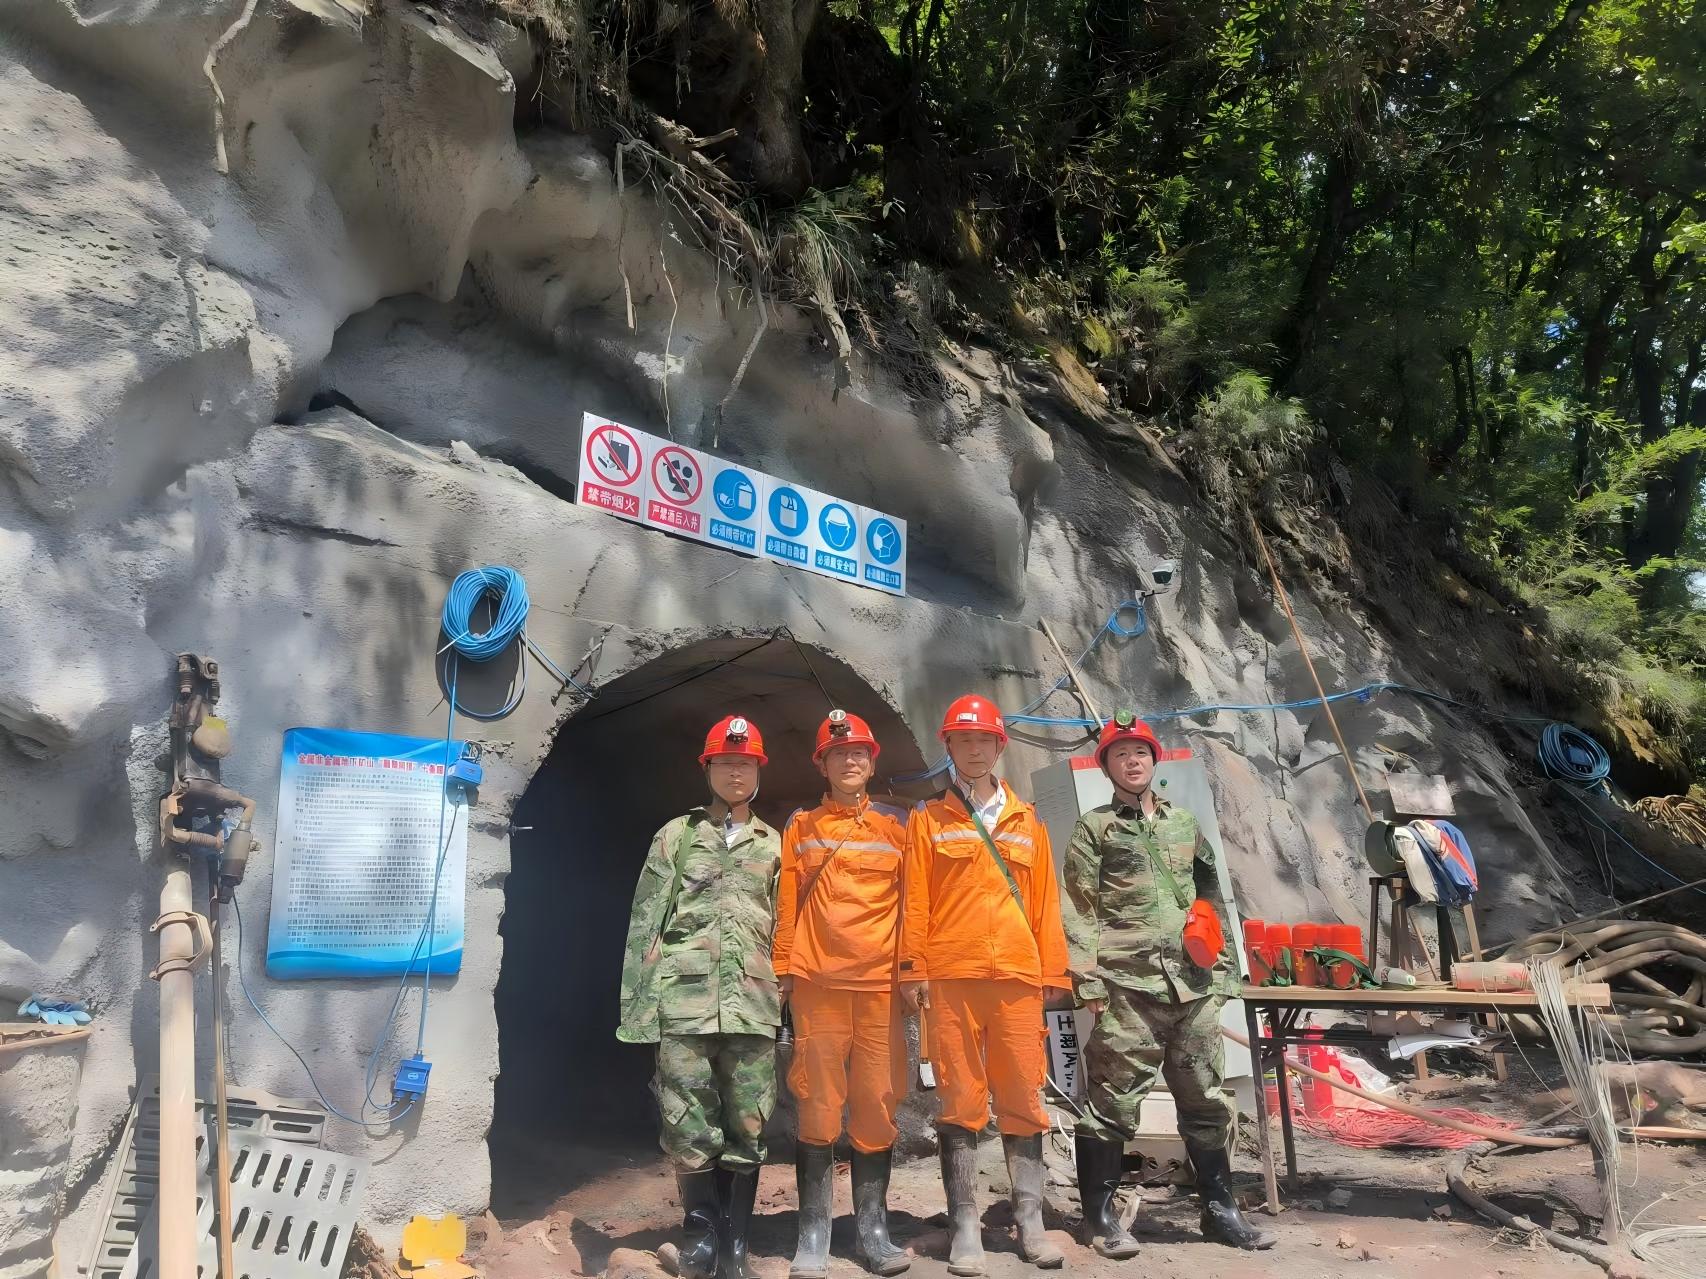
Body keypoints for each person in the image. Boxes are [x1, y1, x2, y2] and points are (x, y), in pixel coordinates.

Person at [1061, 711, 1276, 1254]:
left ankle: (1219, 1211)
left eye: (1140, 752)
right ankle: (1099, 1220)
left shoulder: (1183, 824)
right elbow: (1078, 906)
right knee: (1111, 1104)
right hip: (1125, 988)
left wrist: (1224, 969)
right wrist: (1087, 980)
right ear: (1106, 766)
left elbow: (1211, 891)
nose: (1132, 762)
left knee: (1205, 1099)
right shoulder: (1094, 828)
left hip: (1193, 986)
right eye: (1120, 754)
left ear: (1153, 761)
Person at [901, 694, 1071, 1276]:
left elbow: (1046, 902)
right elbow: (915, 899)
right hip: (952, 976)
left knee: (1024, 1095)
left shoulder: (1028, 822)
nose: (974, 749)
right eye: (963, 739)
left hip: (1018, 978)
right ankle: (966, 1227)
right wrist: (913, 970)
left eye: (984, 740)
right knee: (960, 1099)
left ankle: (1030, 1223)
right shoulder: (928, 819)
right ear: (948, 746)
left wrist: (1053, 972)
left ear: (1000, 746)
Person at [617, 715, 783, 1279]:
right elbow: (646, 923)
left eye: (746, 764)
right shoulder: (676, 836)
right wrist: (639, 1011)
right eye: (726, 763)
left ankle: (736, 1245)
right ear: (707, 769)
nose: (736, 773)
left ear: (758, 771)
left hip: (753, 1002)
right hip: (683, 1003)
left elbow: (785, 928)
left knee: (750, 1122)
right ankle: (701, 1238)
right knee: (687, 1120)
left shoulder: (774, 843)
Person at [773, 710, 911, 1279]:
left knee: (878, 1100)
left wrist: (914, 970)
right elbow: (787, 902)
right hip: (818, 983)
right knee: (817, 1102)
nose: (849, 761)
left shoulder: (898, 827)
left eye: (858, 753)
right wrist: (784, 967)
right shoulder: (802, 827)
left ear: (872, 763)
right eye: (838, 754)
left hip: (880, 986)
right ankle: (814, 1233)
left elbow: (915, 905)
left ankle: (872, 1231)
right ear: (822, 765)